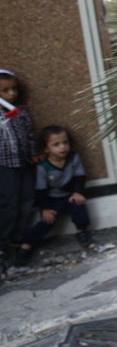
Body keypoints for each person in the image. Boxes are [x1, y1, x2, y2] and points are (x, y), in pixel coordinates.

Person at [12, 126, 92, 265]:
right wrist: (45, 209)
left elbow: (80, 176)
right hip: (52, 200)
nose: (62, 147)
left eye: (65, 142)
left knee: (79, 207)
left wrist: (79, 192)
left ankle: (82, 231)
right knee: (47, 221)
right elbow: (40, 190)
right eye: (56, 144)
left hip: (70, 195)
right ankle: (26, 245)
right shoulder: (43, 166)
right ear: (46, 149)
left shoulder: (73, 158)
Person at [0, 68, 34, 270]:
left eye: (14, 89)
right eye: (5, 91)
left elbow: (29, 135)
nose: (12, 94)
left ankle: (19, 236)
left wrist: (33, 152)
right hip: (5, 166)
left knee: (27, 200)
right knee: (9, 203)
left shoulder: (21, 112)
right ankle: (4, 241)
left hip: (24, 163)